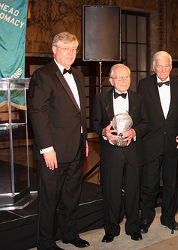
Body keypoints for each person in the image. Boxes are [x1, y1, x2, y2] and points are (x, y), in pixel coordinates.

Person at [29, 32, 90, 250]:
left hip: (76, 147)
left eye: (73, 49)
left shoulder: (78, 75)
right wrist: (47, 148)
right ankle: (45, 243)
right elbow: (37, 113)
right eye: (65, 48)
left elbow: (80, 112)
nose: (70, 53)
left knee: (72, 196)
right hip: (53, 150)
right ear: (54, 49)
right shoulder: (42, 75)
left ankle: (69, 233)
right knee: (49, 199)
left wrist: (84, 139)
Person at [92, 64, 149, 242]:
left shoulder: (139, 98)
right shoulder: (100, 98)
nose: (124, 81)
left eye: (127, 77)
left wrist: (134, 132)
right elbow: (94, 123)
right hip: (111, 153)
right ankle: (111, 228)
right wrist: (104, 132)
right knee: (111, 192)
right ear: (111, 81)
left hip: (133, 152)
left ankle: (133, 227)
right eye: (119, 77)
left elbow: (146, 123)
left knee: (133, 191)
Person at [137, 51, 178, 233]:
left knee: (171, 183)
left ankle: (168, 217)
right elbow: (139, 114)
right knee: (149, 183)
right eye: (159, 66)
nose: (163, 69)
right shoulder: (143, 85)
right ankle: (146, 218)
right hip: (150, 143)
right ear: (153, 67)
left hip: (173, 143)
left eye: (166, 65)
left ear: (171, 67)